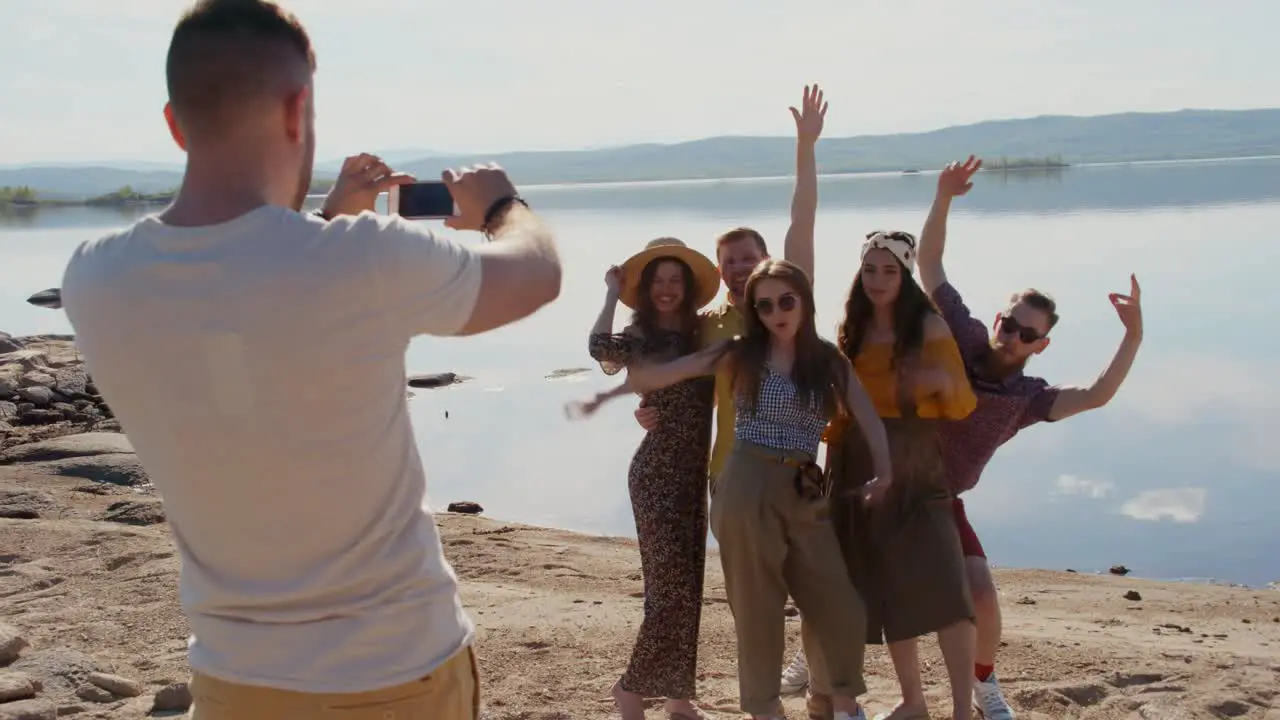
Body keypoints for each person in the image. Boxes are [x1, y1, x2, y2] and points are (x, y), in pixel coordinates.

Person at [59, 2, 561, 719]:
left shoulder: (94, 278)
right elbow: (536, 274)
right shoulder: (361, 261)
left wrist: (329, 220)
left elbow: (249, 316)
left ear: (174, 124)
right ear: (299, 109)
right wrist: (499, 206)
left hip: (236, 683)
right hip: (398, 676)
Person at [782, 156, 1144, 720]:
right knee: (862, 585)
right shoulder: (962, 332)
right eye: (1011, 323)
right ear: (998, 319)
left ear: (1040, 345)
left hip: (937, 495)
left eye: (1029, 333)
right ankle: (863, 687)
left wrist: (1134, 336)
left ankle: (981, 686)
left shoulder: (1027, 397)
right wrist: (945, 196)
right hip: (880, 470)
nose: (1014, 335)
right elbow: (929, 262)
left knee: (975, 597)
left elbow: (1097, 394)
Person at [574, 259, 893, 720]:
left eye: (787, 300)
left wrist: (884, 472)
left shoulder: (826, 358)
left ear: (804, 299)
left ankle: (843, 705)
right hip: (747, 482)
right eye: (764, 305)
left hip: (805, 487)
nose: (777, 312)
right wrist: (611, 396)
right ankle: (766, 711)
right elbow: (673, 370)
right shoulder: (741, 351)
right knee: (759, 613)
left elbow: (866, 414)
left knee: (838, 602)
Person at [803, 231, 979, 720]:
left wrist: (937, 382)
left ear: (905, 275)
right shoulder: (852, 328)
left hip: (915, 462)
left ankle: (963, 709)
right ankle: (914, 702)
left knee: (946, 587)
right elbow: (840, 405)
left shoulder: (929, 328)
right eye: (870, 269)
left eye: (890, 270)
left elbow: (962, 403)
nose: (878, 280)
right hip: (854, 461)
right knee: (887, 587)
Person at [635, 84, 828, 482]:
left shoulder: (790, 301)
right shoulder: (705, 324)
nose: (741, 268)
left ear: (767, 260)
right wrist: (647, 407)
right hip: (728, 470)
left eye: (749, 258)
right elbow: (674, 380)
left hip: (795, 468)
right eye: (731, 262)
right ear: (720, 271)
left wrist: (805, 147)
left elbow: (802, 218)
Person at [585, 238, 721, 720]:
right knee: (668, 591)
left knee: (690, 584)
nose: (666, 289)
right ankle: (630, 689)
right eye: (658, 280)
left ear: (687, 287)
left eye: (675, 280)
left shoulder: (702, 333)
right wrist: (609, 292)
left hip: (692, 474)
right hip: (656, 474)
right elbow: (599, 348)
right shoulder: (638, 335)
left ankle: (679, 699)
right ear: (646, 288)